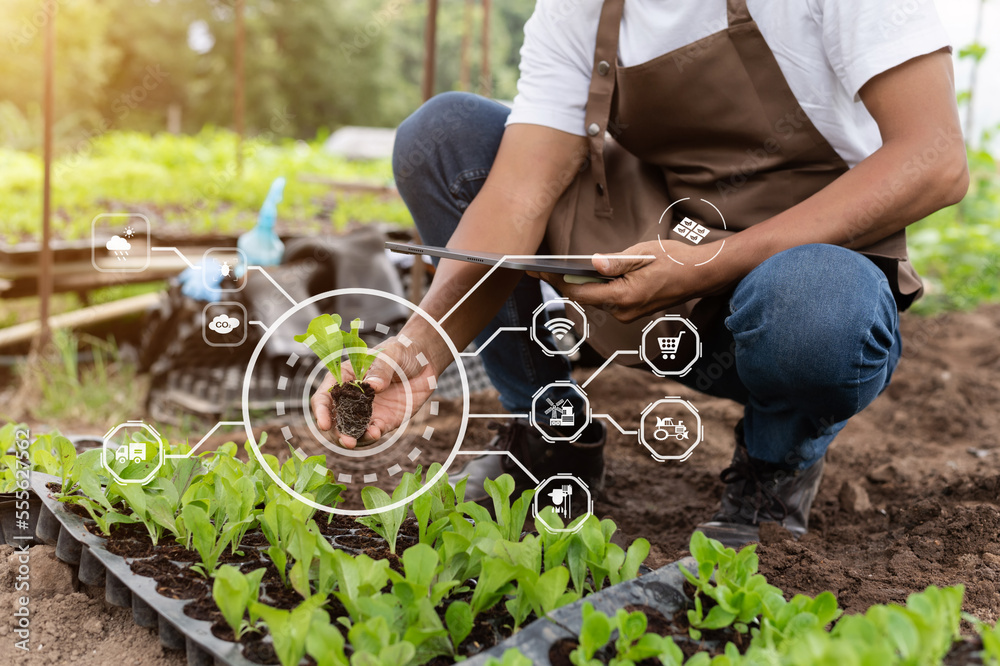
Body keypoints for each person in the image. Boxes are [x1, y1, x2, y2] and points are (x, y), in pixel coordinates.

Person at [312, 0, 968, 546]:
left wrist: (709, 261)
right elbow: (515, 197)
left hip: (804, 275)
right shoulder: (581, 8)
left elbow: (936, 158)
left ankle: (775, 464)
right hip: (667, 237)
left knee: (818, 311)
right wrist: (416, 345)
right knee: (445, 137)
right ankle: (549, 436)